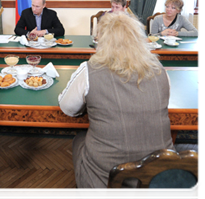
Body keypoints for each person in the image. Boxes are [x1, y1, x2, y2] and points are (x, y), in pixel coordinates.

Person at [58, 13, 174, 199]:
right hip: (159, 182)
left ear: (102, 40)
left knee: (79, 139)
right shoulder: (161, 71)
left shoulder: (90, 70)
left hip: (106, 185)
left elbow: (68, 109)